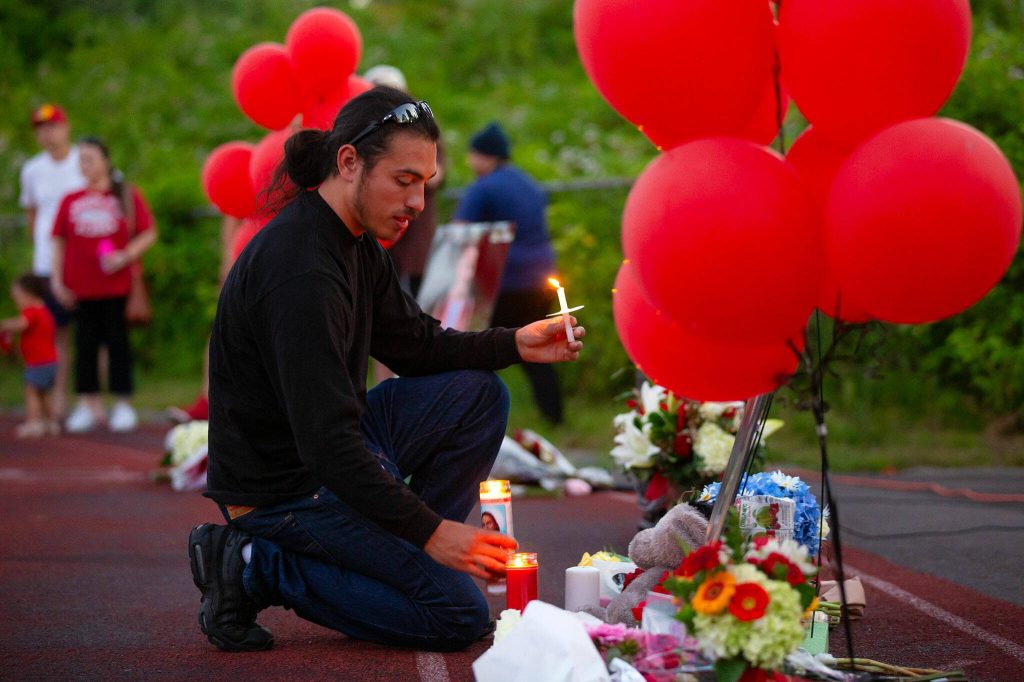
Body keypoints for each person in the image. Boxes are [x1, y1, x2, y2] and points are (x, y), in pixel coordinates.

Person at [187, 86, 584, 653]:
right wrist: (429, 531)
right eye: (404, 180)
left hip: (330, 451)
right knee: (458, 616)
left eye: (425, 181)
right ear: (349, 162)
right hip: (284, 490)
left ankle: (396, 558)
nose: (419, 202)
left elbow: (417, 346)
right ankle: (254, 564)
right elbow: (326, 445)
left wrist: (515, 342)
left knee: (480, 396)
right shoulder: (302, 273)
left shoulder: (352, 240)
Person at [453, 122, 563, 425]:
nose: (469, 161)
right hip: (542, 276)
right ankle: (554, 417)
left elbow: (460, 232)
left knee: (482, 348)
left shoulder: (483, 187)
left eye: (473, 154)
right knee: (539, 347)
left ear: (487, 157)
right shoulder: (528, 183)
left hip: (507, 281)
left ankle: (472, 414)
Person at [51, 136, 158, 433]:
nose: (85, 165)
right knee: (85, 347)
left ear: (105, 162)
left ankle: (122, 404)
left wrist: (125, 256)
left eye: (91, 158)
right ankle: (87, 403)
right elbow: (58, 242)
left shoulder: (124, 195)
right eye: (81, 159)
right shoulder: (70, 200)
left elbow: (148, 233)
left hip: (116, 287)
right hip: (80, 289)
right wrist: (58, 281)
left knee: (118, 345)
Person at [18, 103, 87, 420]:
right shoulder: (32, 170)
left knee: (89, 332)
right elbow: (33, 217)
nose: (47, 133)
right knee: (53, 333)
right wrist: (45, 250)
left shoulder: (82, 161)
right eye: (41, 128)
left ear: (66, 127)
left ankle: (88, 400)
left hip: (84, 261)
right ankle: (57, 399)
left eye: (52, 126)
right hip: (49, 262)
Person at [1, 274, 60, 438]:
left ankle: (34, 422)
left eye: (18, 296)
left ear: (28, 294)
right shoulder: (45, 312)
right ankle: (51, 421)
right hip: (49, 360)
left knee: (31, 391)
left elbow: (22, 323)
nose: (16, 300)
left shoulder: (32, 311)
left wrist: (5, 325)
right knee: (43, 393)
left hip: (38, 362)